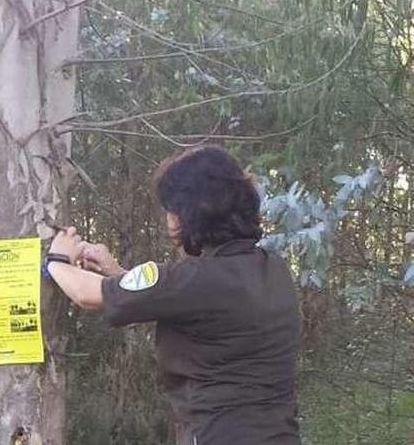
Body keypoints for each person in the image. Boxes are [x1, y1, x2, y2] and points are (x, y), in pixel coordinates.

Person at [43, 146, 300, 445]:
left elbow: (86, 294)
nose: (169, 220)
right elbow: (182, 298)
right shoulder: (272, 267)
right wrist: (116, 272)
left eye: (171, 209)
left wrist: (57, 260)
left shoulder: (196, 278)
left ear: (193, 213)